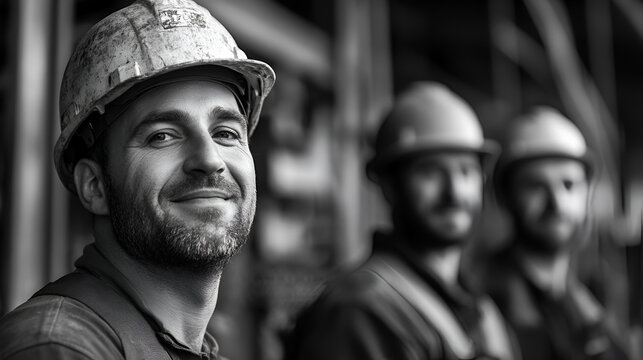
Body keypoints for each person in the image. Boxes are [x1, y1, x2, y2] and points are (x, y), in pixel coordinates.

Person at [0, 0, 274, 359]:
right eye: (162, 136)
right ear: (94, 186)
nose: (209, 160)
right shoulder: (61, 348)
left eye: (225, 133)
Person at [285, 82, 520, 360]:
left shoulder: (480, 310)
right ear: (388, 184)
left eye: (466, 171)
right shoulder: (357, 312)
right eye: (430, 172)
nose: (454, 192)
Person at [482, 107, 629, 360]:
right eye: (536, 185)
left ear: (587, 195)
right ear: (505, 196)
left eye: (569, 185)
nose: (557, 203)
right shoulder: (481, 305)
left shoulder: (590, 309)